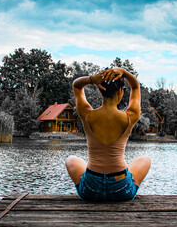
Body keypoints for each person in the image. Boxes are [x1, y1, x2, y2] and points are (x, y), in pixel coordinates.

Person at [65, 67, 151, 201]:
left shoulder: (87, 114)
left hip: (91, 190)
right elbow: (135, 87)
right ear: (121, 92)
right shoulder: (131, 116)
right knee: (145, 159)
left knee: (71, 159)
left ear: (100, 90)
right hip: (121, 189)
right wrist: (125, 72)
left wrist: (92, 79)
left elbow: (76, 85)